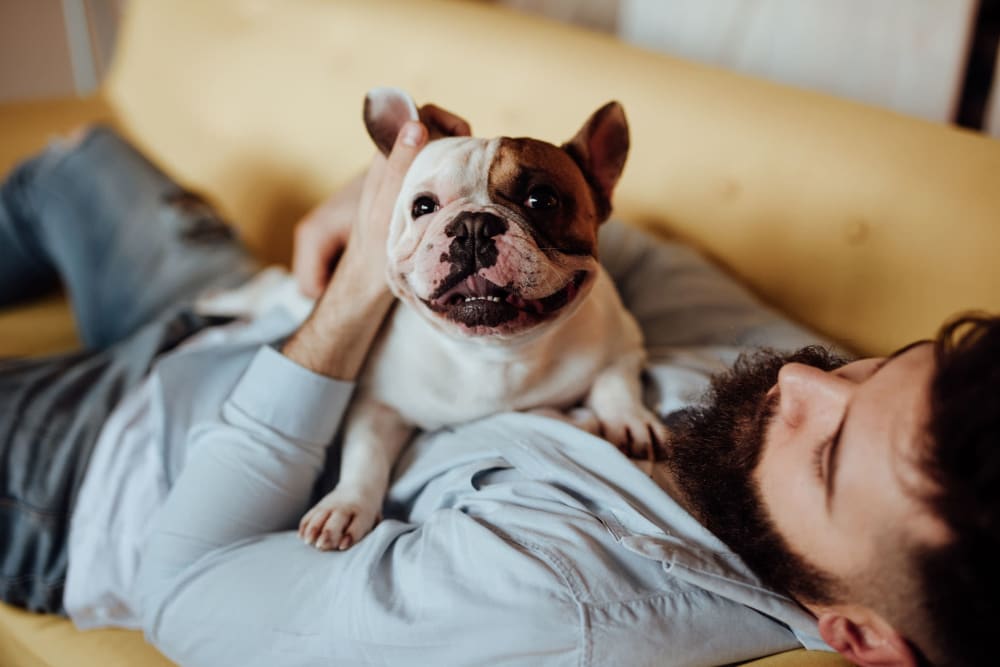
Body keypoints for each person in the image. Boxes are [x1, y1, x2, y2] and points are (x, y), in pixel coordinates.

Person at [0, 110, 993, 667]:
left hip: (99, 468)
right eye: (866, 365)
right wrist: (384, 201)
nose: (797, 382)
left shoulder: (558, 591)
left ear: (857, 636)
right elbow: (604, 237)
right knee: (77, 163)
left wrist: (361, 288)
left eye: (823, 453)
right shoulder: (792, 381)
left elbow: (185, 590)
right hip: (240, 308)